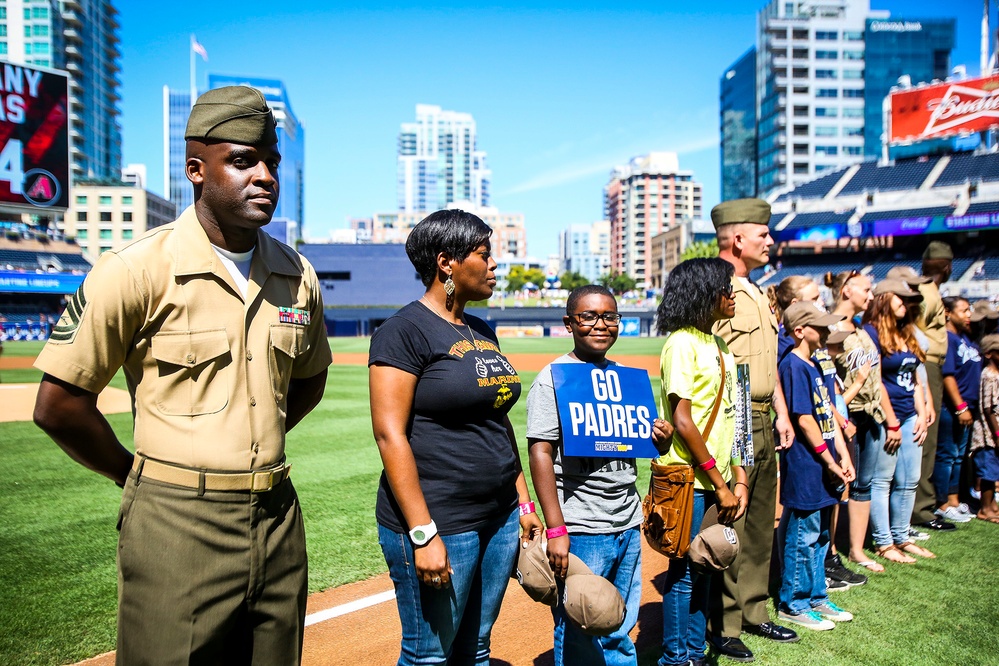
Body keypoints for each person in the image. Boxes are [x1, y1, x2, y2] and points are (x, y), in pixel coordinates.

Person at [32, 86, 332, 664]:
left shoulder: (296, 274)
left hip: (277, 518)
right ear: (196, 169)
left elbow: (310, 378)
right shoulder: (136, 269)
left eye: (270, 160)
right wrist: (135, 477)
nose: (265, 175)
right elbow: (59, 404)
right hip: (175, 522)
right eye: (243, 161)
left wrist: (249, 439)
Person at [368, 209, 543, 665]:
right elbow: (390, 436)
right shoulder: (403, 331)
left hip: (500, 516)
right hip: (443, 520)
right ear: (447, 262)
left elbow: (497, 421)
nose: (493, 266)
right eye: (484, 255)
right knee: (429, 655)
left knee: (476, 647)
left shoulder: (482, 330)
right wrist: (424, 534)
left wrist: (522, 502)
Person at [527, 284, 673, 665]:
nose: (600, 325)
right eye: (588, 316)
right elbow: (540, 452)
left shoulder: (628, 380)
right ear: (569, 323)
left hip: (625, 520)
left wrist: (661, 439)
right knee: (579, 626)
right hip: (580, 526)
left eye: (610, 317)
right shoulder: (553, 378)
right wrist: (556, 529)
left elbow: (639, 446)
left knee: (620, 622)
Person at [708, 199, 798, 662]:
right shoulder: (714, 289)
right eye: (763, 235)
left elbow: (769, 363)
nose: (771, 241)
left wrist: (781, 411)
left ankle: (755, 611)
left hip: (764, 410)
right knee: (735, 520)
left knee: (763, 517)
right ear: (738, 238)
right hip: (736, 412)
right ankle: (724, 623)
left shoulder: (760, 292)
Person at [654, 258, 749, 666]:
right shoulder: (681, 343)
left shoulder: (721, 345)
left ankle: (696, 652)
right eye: (725, 289)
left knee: (706, 566)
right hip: (689, 480)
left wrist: (739, 479)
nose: (732, 296)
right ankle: (678, 657)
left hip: (719, 481)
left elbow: (736, 415)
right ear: (703, 293)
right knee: (682, 573)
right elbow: (683, 421)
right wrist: (722, 483)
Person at [776, 302, 855, 631]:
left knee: (822, 534)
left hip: (826, 460)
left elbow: (827, 414)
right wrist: (828, 458)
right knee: (802, 535)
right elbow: (805, 420)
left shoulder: (815, 364)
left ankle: (816, 595)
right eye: (819, 327)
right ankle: (793, 602)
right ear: (799, 331)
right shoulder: (793, 364)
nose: (826, 332)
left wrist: (843, 455)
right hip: (806, 463)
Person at [862, 278, 935, 563]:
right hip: (885, 416)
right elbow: (875, 381)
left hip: (909, 415)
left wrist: (921, 411)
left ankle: (902, 537)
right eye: (900, 298)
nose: (906, 304)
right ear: (884, 298)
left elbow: (915, 377)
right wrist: (891, 421)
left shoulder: (907, 332)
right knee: (882, 480)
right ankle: (883, 542)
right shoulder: (870, 332)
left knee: (909, 480)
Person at [826, 270, 886, 574]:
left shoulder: (862, 329)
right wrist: (839, 420)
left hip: (871, 414)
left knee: (864, 484)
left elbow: (876, 377)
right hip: (846, 417)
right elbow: (826, 389)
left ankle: (857, 550)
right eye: (866, 289)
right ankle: (831, 551)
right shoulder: (828, 329)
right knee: (839, 486)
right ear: (847, 290)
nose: (871, 295)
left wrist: (890, 416)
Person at [911, 242, 955, 532]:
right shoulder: (927, 291)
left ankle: (922, 505)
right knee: (927, 436)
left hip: (929, 364)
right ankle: (921, 509)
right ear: (947, 266)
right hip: (927, 363)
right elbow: (915, 330)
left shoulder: (928, 290)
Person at [933, 297, 982, 523]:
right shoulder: (949, 340)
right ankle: (942, 503)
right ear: (948, 313)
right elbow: (948, 375)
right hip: (952, 407)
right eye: (963, 311)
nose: (968, 315)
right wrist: (960, 406)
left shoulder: (965, 338)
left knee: (958, 456)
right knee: (947, 456)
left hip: (968, 408)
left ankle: (953, 500)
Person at [971, 334, 999, 523]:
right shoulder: (989, 375)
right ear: (989, 354)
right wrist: (997, 434)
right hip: (988, 433)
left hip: (994, 431)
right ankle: (984, 509)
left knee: (994, 470)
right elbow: (988, 409)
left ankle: (991, 505)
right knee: (988, 472)